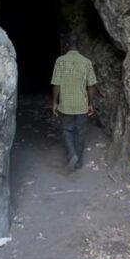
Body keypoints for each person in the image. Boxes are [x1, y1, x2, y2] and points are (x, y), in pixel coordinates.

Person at [51, 37, 97, 171]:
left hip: (65, 105)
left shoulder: (60, 61)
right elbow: (91, 86)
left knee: (67, 130)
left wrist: (54, 102)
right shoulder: (86, 62)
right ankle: (79, 161)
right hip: (81, 105)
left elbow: (56, 84)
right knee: (80, 132)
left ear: (67, 45)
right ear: (79, 46)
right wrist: (90, 103)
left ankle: (71, 154)